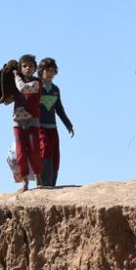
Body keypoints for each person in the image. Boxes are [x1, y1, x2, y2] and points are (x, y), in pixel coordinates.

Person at [37, 57, 74, 187]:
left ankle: (52, 183)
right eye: (47, 70)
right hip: (39, 126)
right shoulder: (36, 86)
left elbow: (59, 109)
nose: (50, 72)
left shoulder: (55, 89)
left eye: (52, 70)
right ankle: (43, 181)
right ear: (41, 71)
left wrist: (68, 124)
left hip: (52, 127)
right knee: (44, 150)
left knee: (55, 153)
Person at [12, 54, 42, 191]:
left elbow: (23, 88)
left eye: (30, 66)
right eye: (24, 66)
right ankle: (24, 181)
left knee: (34, 150)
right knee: (20, 153)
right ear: (20, 68)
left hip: (32, 120)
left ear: (35, 68)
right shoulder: (17, 83)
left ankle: (38, 177)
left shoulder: (36, 82)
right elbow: (7, 99)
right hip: (18, 121)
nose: (28, 68)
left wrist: (16, 76)